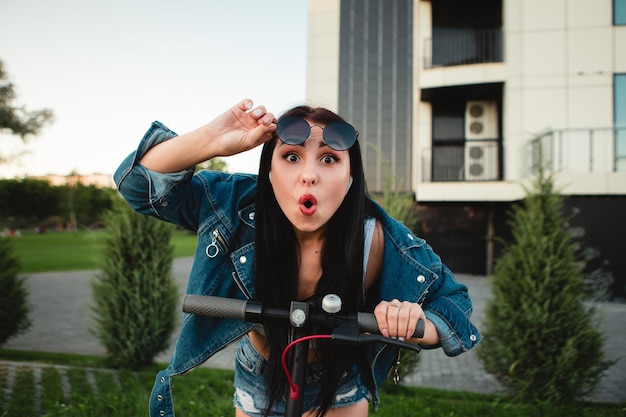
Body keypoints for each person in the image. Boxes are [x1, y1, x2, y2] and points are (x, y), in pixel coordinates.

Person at [114, 99, 481, 417]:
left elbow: (456, 305)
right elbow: (137, 186)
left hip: (340, 376)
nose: (309, 175)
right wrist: (210, 140)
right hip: (259, 369)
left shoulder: (378, 238)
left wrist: (414, 323)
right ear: (270, 173)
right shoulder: (236, 206)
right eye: (291, 156)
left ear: (350, 176)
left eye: (329, 159)